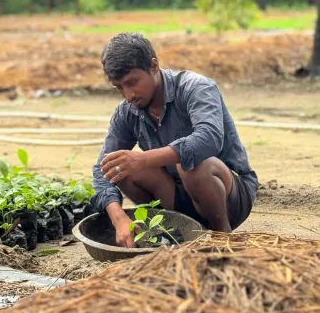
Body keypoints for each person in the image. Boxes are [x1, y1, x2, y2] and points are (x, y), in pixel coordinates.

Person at [91, 33, 258, 248]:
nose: (128, 95)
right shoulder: (127, 112)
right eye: (119, 87)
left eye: (133, 82)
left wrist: (143, 159)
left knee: (191, 162)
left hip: (230, 197)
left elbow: (209, 138)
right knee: (120, 165)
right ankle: (172, 232)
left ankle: (221, 237)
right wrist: (119, 218)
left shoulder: (195, 88)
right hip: (179, 197)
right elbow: (102, 169)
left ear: (153, 66)